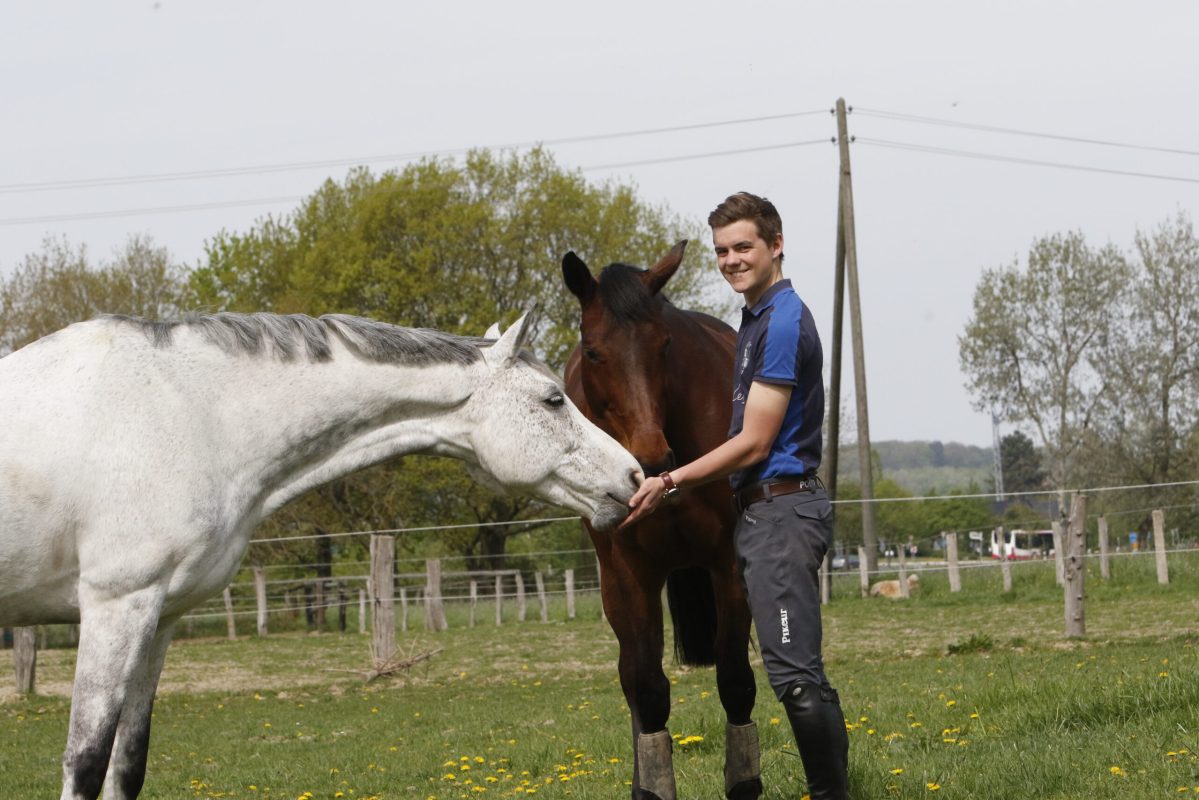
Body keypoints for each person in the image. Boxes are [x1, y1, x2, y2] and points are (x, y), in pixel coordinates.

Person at [623, 191, 849, 799]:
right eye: (722, 250)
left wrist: (670, 480)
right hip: (762, 512)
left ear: (776, 246)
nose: (731, 260)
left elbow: (753, 443)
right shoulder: (754, 319)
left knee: (797, 679)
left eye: (743, 246)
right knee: (793, 673)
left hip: (781, 510)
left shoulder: (779, 322)